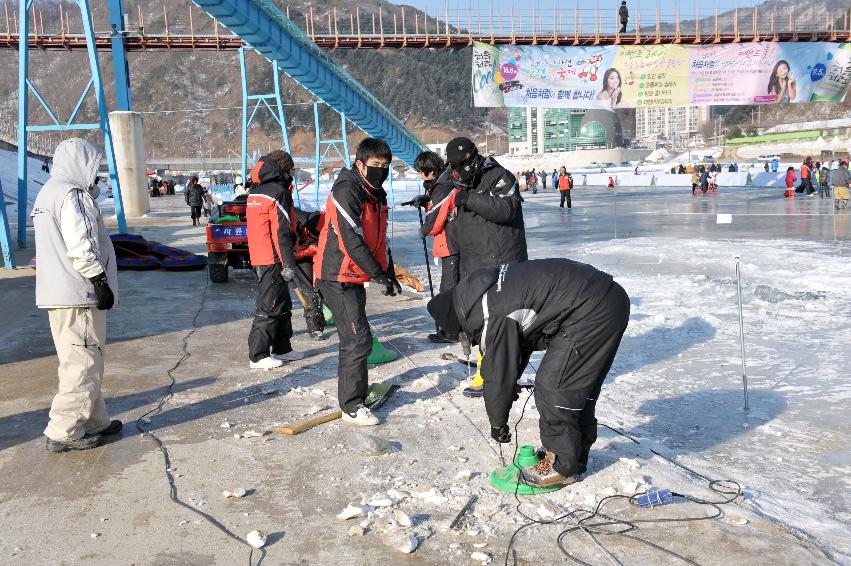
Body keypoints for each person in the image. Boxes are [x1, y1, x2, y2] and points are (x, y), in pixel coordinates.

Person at [427, 259, 630, 487]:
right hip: (606, 299)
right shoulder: (482, 291)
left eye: (462, 335)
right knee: (577, 389)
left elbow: (497, 372)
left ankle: (562, 467)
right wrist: (511, 377)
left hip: (591, 310)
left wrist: (498, 423)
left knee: (554, 388)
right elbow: (517, 346)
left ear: (459, 321)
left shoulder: (489, 314)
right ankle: (574, 456)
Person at [31, 138, 122, 453]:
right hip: (78, 293)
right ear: (80, 164)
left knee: (84, 359)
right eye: (93, 167)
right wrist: (99, 281)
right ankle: (64, 430)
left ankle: (95, 421)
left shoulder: (47, 193)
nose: (95, 175)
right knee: (82, 363)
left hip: (57, 294)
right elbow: (82, 244)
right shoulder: (73, 195)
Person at [314, 138, 401, 426]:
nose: (381, 171)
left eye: (385, 166)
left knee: (355, 339)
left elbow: (379, 240)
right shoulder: (346, 190)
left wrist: (386, 271)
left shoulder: (377, 193)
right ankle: (351, 406)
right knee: (357, 339)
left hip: (355, 273)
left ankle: (356, 395)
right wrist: (376, 274)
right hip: (336, 274)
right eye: (375, 166)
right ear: (360, 164)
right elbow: (351, 239)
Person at [245, 151, 305, 370]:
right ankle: (258, 355)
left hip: (260, 255)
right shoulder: (278, 193)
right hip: (272, 258)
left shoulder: (256, 191)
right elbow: (281, 232)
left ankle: (282, 348)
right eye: (291, 171)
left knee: (283, 304)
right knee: (269, 306)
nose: (292, 175)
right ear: (284, 171)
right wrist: (289, 263)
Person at [448, 137, 527, 279]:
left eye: (462, 160)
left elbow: (506, 209)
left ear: (472, 154)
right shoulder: (461, 183)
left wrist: (469, 199)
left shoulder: (499, 175)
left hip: (502, 266)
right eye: (453, 163)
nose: (458, 166)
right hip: (474, 267)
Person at [413, 151, 460, 343]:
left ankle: (451, 331)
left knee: (449, 289)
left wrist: (424, 230)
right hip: (454, 242)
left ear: (431, 171)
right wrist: (426, 202)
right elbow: (439, 206)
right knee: (452, 286)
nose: (419, 175)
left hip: (452, 243)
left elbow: (437, 218)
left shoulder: (443, 186)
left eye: (421, 172)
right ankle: (454, 328)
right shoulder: (443, 183)